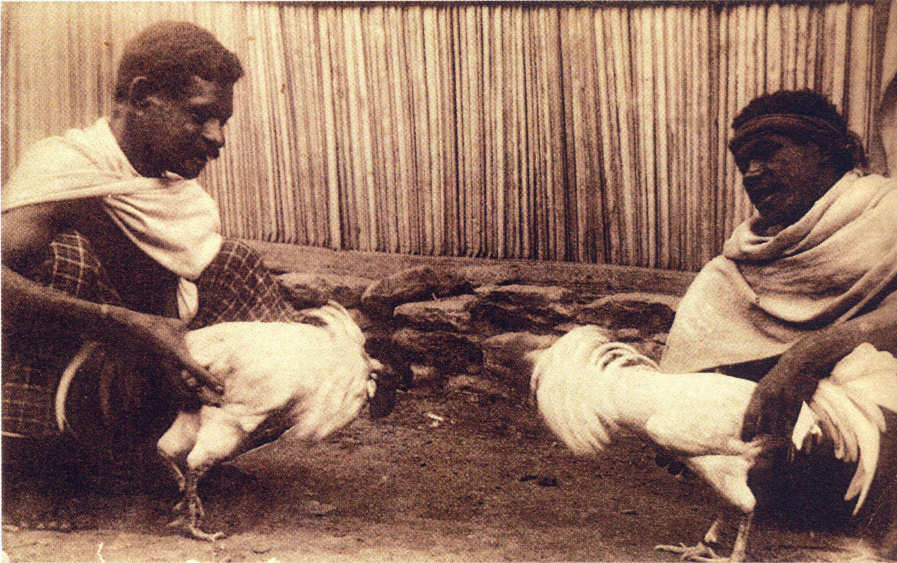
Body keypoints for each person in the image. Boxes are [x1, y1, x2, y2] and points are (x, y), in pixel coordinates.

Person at [1, 21, 304, 529]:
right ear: (143, 97)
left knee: (241, 271)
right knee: (64, 258)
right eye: (200, 116)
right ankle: (27, 472)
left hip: (118, 388)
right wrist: (122, 322)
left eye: (223, 121)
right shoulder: (65, 169)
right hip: (54, 390)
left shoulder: (177, 203)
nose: (217, 138)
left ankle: (164, 462)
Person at [658, 89, 897, 555]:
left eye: (768, 153)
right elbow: (688, 376)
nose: (752, 172)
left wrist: (811, 353)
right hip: (809, 477)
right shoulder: (737, 268)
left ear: (824, 150)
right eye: (742, 162)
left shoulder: (887, 216)